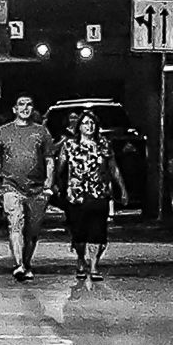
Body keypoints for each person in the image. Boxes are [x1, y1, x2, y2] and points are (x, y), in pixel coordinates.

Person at [54, 107, 126, 286]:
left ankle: (94, 266)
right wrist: (54, 184)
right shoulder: (69, 145)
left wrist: (122, 188)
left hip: (99, 192)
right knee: (79, 233)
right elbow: (60, 168)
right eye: (85, 123)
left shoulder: (103, 144)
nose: (89, 126)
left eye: (92, 123)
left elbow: (113, 168)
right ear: (78, 126)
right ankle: (80, 259)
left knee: (98, 232)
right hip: (77, 194)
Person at [0, 92, 53, 281]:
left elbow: (49, 159)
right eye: (21, 104)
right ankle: (18, 264)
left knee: (32, 231)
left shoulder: (41, 132)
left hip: (37, 188)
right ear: (14, 109)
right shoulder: (3, 131)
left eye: (29, 104)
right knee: (15, 223)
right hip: (10, 186)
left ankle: (26, 262)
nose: (25, 108)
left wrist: (49, 183)